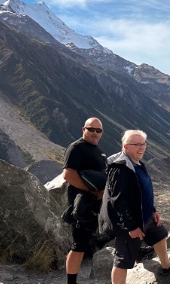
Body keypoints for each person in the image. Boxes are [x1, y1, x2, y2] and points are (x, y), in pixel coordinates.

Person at [98, 130, 170, 284]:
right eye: (137, 145)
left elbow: (142, 191)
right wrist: (131, 226)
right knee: (123, 260)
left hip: (145, 216)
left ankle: (166, 266)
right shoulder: (120, 168)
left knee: (160, 234)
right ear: (126, 146)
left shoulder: (137, 163)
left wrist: (153, 210)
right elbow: (118, 200)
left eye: (143, 144)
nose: (142, 148)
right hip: (131, 222)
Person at [62, 117, 107, 284]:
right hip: (81, 204)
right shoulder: (76, 147)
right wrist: (92, 192)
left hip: (95, 203)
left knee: (87, 241)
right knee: (78, 245)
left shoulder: (98, 150)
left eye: (98, 130)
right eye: (91, 129)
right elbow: (68, 174)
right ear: (83, 129)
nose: (94, 133)